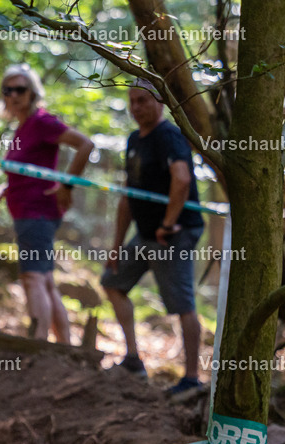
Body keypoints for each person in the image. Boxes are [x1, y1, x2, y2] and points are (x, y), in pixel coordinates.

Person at [101, 80, 204, 394]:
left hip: (174, 234)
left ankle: (191, 379)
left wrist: (168, 223)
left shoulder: (169, 135)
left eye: (143, 100)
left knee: (182, 304)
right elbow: (127, 196)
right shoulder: (134, 140)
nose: (136, 107)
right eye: (132, 101)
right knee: (113, 282)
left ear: (160, 101)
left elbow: (181, 179)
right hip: (145, 234)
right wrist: (117, 246)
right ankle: (133, 360)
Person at [0, 63, 94, 344]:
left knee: (32, 278)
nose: (13, 95)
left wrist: (67, 184)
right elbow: (27, 171)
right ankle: (64, 347)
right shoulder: (23, 127)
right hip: (28, 212)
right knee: (45, 279)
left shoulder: (42, 122)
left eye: (20, 89)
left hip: (37, 213)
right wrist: (5, 188)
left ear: (33, 92)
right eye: (8, 90)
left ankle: (38, 344)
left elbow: (85, 144)